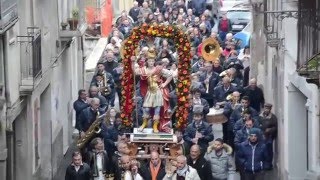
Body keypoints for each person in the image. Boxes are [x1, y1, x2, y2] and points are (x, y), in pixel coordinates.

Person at [135, 47, 173, 133]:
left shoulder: (158, 69)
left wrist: (164, 84)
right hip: (149, 91)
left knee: (157, 109)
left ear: (154, 61)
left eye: (152, 61)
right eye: (149, 61)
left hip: (158, 91)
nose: (151, 62)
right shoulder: (144, 69)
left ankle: (155, 126)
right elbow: (135, 72)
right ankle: (144, 124)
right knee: (146, 109)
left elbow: (170, 74)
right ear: (147, 61)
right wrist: (132, 62)